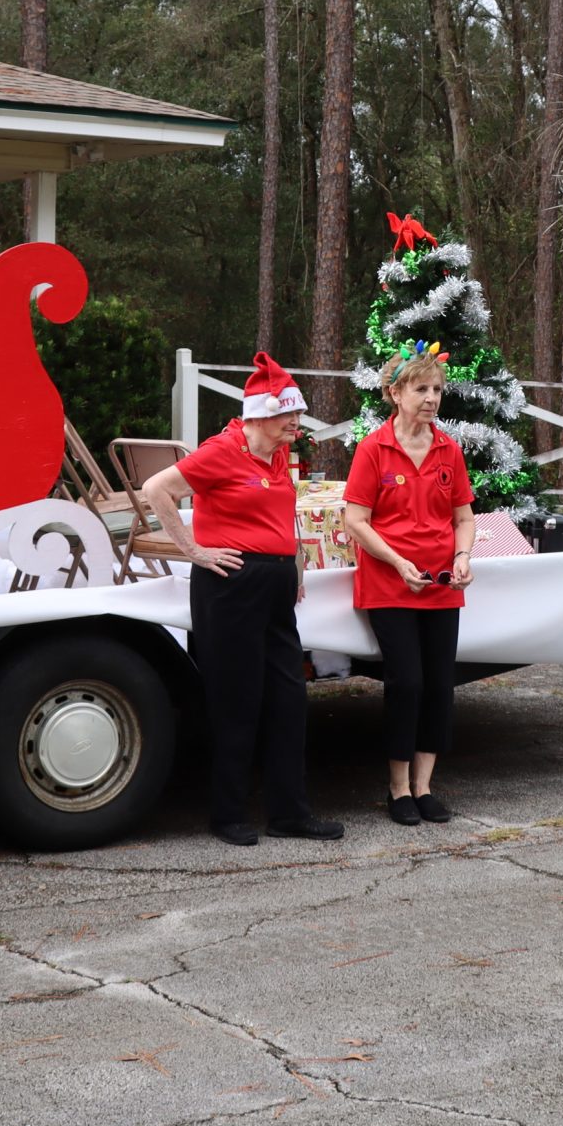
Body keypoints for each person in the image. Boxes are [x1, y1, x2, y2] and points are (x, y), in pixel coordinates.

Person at [139, 353, 345, 848]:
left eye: (297, 415)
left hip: (274, 587)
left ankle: (289, 813)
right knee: (237, 701)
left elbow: (284, 519)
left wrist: (292, 567)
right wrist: (193, 551)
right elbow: (155, 490)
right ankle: (227, 813)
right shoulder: (221, 451)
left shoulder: (278, 456)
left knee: (289, 700)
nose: (296, 424)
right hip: (229, 587)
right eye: (287, 415)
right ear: (258, 415)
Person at [341, 348, 476, 826]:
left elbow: (463, 517)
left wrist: (462, 556)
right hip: (390, 584)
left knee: (440, 685)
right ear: (395, 393)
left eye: (437, 390)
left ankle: (425, 787)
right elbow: (355, 520)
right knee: (407, 683)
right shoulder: (372, 449)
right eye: (421, 389)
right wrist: (398, 562)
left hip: (441, 585)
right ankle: (398, 790)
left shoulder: (448, 450)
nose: (432, 398)